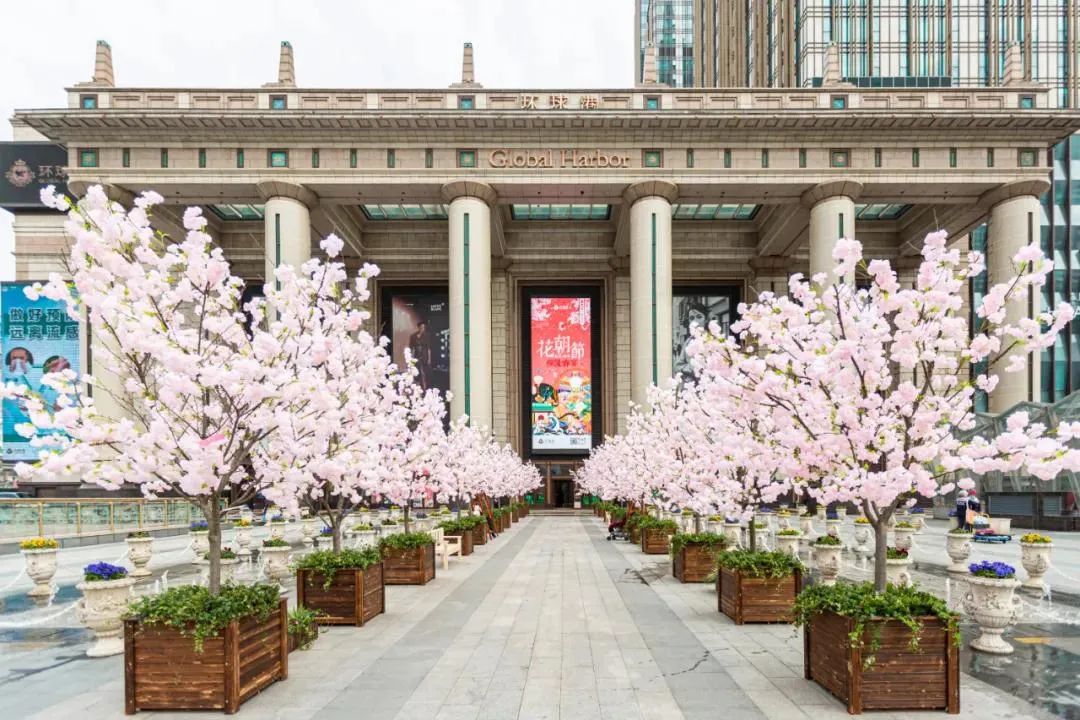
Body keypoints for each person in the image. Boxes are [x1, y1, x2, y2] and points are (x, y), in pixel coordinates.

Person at [408, 320, 432, 390]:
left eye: (424, 327)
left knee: (424, 372)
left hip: (424, 356)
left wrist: (429, 359)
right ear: (418, 327)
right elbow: (411, 348)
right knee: (418, 372)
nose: (422, 329)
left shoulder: (427, 336)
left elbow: (429, 348)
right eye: (421, 327)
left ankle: (425, 387)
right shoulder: (413, 336)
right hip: (416, 355)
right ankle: (420, 387)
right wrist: (411, 359)